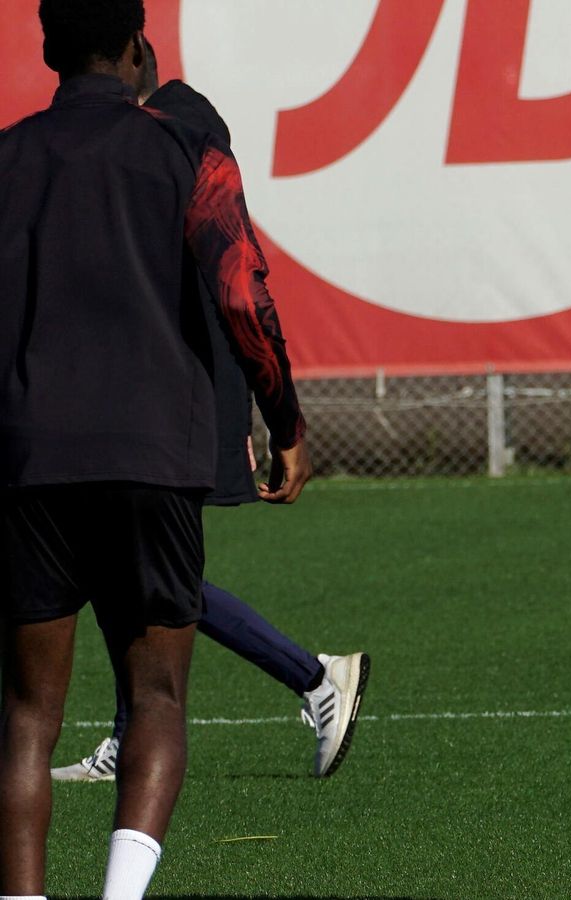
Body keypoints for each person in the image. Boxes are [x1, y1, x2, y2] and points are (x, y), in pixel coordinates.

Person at [0, 0, 310, 896]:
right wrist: (282, 423)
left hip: (29, 460)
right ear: (138, 46)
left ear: (50, 48)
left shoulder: (10, 160)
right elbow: (245, 299)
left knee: (26, 716)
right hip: (153, 454)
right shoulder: (187, 154)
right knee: (160, 698)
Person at [49, 36, 369, 786]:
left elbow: (231, 288)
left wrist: (253, 415)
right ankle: (151, 728)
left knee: (151, 578)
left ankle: (314, 675)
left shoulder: (178, 134)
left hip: (171, 400)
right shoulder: (167, 137)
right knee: (134, 575)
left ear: (131, 62)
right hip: (157, 400)